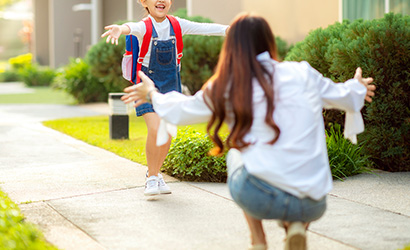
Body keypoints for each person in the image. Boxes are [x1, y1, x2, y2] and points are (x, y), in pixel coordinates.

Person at [121, 13, 376, 250]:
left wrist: (152, 93)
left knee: (236, 153)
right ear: (269, 41)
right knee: (299, 174)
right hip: (313, 202)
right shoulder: (302, 73)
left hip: (259, 196)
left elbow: (182, 110)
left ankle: (258, 238)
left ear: (232, 46)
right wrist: (358, 87)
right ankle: (296, 225)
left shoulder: (229, 83)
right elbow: (345, 95)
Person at [101, 0, 229, 196]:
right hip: (145, 84)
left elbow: (203, 28)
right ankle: (152, 178)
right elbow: (130, 27)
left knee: (167, 132)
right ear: (144, 2)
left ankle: (156, 173)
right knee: (155, 128)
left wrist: (228, 29)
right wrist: (120, 28)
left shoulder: (177, 24)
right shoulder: (144, 26)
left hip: (171, 86)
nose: (161, 0)